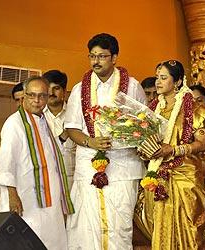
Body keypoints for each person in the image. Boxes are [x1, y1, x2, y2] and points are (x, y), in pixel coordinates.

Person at [64, 33, 146, 250]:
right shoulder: (79, 89)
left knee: (119, 229)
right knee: (86, 228)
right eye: (92, 56)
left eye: (102, 56)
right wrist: (91, 142)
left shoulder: (132, 87)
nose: (95, 61)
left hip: (123, 169)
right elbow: (71, 127)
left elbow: (144, 125)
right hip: (88, 167)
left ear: (114, 58)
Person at [138, 60, 205, 249]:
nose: (158, 82)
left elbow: (202, 144)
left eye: (163, 78)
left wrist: (174, 150)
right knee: (159, 229)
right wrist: (143, 150)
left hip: (185, 176)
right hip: (157, 176)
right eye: (157, 77)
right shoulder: (150, 111)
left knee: (188, 231)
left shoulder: (195, 109)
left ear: (178, 82)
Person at [0, 76, 73, 249]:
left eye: (42, 96)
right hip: (25, 199)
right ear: (24, 96)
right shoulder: (14, 124)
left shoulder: (43, 122)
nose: (37, 101)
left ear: (47, 97)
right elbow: (5, 163)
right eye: (32, 95)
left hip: (48, 203)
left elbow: (49, 155)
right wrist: (12, 194)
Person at [43, 69, 76, 190]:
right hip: (44, 183)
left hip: (72, 184)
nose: (51, 92)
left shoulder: (76, 116)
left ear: (64, 92)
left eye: (56, 88)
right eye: (47, 88)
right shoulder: (36, 117)